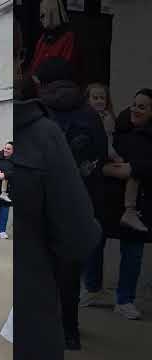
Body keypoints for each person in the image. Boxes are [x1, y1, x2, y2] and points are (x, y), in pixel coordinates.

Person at [13, 19, 100, 359]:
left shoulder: (43, 128)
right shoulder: (45, 131)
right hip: (33, 309)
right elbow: (81, 237)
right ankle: (72, 330)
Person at [34, 56, 108, 350]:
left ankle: (47, 326)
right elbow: (100, 154)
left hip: (46, 199)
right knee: (70, 270)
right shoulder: (89, 113)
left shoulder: (42, 111)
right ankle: (71, 331)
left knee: (45, 270)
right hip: (80, 198)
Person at [82, 89, 152, 320]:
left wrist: (133, 169)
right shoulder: (117, 129)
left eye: (142, 106)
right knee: (94, 244)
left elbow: (140, 167)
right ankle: (93, 289)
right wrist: (114, 169)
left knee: (133, 253)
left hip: (139, 203)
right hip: (108, 198)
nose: (135, 109)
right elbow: (101, 160)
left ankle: (125, 300)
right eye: (134, 104)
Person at [86, 83, 147, 232]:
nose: (99, 101)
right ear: (87, 100)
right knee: (132, 171)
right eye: (95, 98)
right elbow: (105, 144)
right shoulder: (93, 119)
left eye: (102, 98)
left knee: (133, 172)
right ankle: (130, 211)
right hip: (97, 163)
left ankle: (130, 210)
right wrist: (116, 157)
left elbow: (109, 140)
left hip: (103, 162)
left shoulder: (108, 118)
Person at [29, 0, 79, 77]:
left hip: (54, 84)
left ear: (52, 13)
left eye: (43, 16)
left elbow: (64, 68)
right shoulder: (43, 37)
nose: (40, 20)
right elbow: (34, 64)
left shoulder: (68, 37)